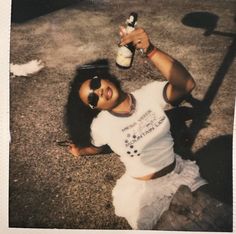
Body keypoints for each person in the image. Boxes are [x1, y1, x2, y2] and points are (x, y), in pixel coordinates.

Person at [65, 27, 207, 230]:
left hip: (179, 175)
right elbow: (98, 147)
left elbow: (186, 85)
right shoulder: (100, 126)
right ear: (93, 108)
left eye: (96, 83)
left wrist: (150, 49)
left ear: (105, 78)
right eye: (92, 97)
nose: (98, 91)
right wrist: (79, 151)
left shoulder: (148, 94)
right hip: (144, 195)